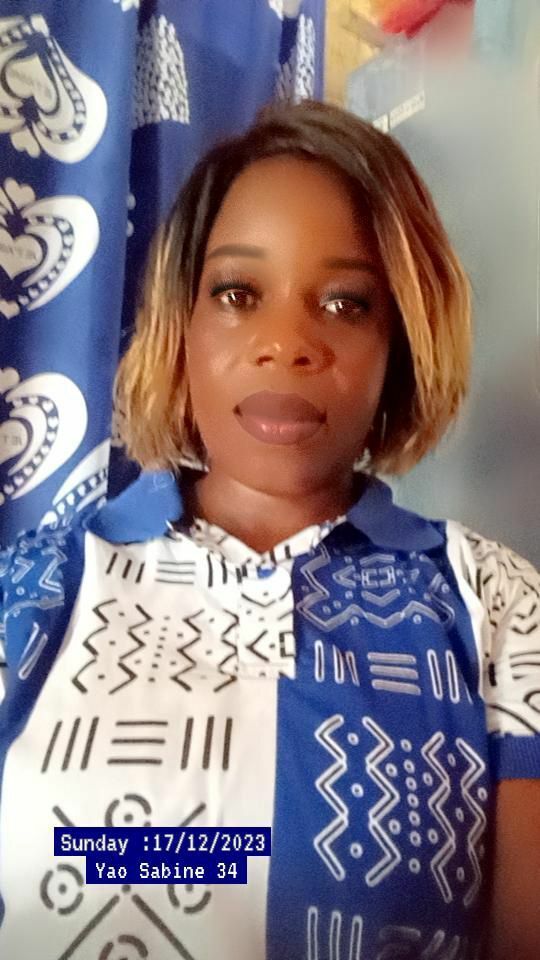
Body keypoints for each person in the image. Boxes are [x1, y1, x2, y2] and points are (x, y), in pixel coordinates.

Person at [0, 99, 538, 960]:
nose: (286, 343)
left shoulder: (498, 604)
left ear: (400, 342)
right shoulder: (34, 592)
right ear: (180, 323)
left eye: (346, 303)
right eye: (239, 294)